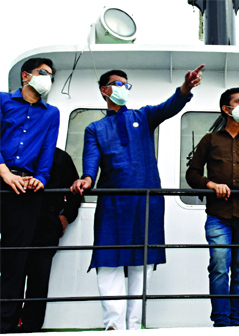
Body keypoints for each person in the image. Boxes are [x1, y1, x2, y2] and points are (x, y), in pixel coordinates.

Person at [70, 64, 204, 330]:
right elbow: (91, 162)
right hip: (112, 204)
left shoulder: (143, 117)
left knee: (143, 263)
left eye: (126, 85)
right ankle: (113, 326)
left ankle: (134, 326)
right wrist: (86, 178)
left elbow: (169, 106)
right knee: (108, 261)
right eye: (118, 84)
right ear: (104, 90)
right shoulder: (94, 129)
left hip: (147, 201)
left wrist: (186, 88)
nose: (123, 89)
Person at [186, 87, 239, 327]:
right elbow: (192, 174)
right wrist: (211, 184)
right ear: (226, 108)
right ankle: (222, 322)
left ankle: (237, 322)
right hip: (218, 215)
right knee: (219, 267)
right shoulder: (210, 140)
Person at [0, 57, 60, 333]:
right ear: (26, 76)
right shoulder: (3, 101)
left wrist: (41, 179)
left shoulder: (51, 113)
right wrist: (4, 172)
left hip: (25, 188)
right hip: (2, 178)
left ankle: (6, 326)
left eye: (51, 75)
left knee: (16, 260)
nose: (47, 79)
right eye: (43, 73)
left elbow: (47, 151)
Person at [16, 148, 82, 333]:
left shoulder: (61, 158)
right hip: (17, 226)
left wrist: (65, 216)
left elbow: (75, 192)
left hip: (46, 226)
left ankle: (31, 326)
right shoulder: (19, 153)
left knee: (39, 278)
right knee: (14, 275)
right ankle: (8, 322)